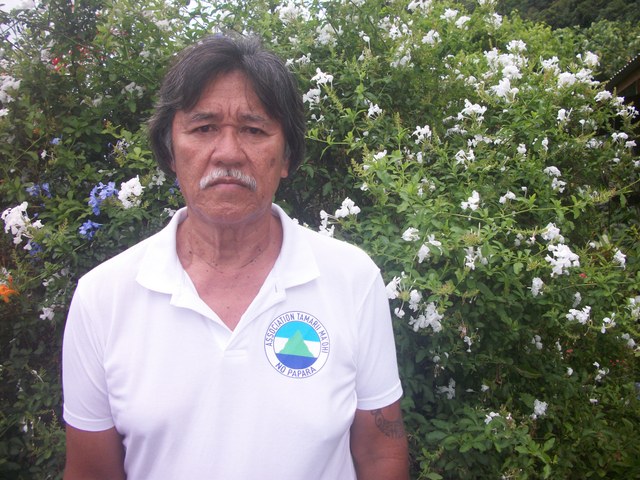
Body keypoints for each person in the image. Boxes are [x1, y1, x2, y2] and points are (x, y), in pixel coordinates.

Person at [62, 34, 409, 479]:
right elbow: (91, 471)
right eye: (203, 128)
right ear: (170, 151)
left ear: (286, 156)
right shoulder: (103, 297)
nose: (227, 153)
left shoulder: (352, 279)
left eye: (253, 130)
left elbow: (380, 453)